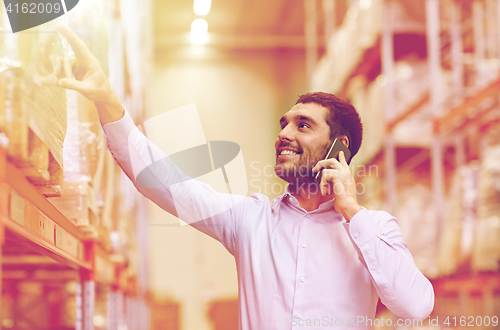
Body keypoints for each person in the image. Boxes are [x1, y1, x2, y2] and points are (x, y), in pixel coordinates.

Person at [47, 26, 434, 330]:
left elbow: (415, 306)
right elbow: (165, 182)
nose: (284, 134)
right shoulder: (250, 221)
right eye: (283, 124)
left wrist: (351, 211)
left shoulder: (375, 229)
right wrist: (106, 100)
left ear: (339, 148)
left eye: (303, 125)